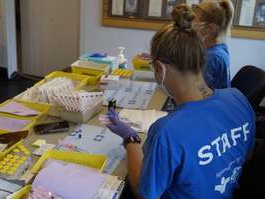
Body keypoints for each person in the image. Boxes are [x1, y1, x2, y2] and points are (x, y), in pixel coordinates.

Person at [105, 4, 255, 199]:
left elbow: (145, 195)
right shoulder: (238, 98)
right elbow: (246, 156)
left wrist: (130, 139)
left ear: (159, 68)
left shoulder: (166, 132)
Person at [191, 0, 234, 89]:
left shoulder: (211, 57)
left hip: (210, 101)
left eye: (194, 23)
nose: (191, 27)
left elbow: (196, 93)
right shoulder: (220, 47)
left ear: (210, 28)